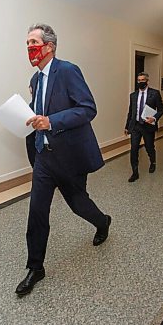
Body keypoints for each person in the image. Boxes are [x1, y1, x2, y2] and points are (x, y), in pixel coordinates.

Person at [16, 23, 111, 297]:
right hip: (44, 158)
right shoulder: (35, 81)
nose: (29, 49)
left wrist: (51, 121)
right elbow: (39, 113)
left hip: (69, 156)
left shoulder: (68, 71)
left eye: (33, 42)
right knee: (37, 213)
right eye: (27, 45)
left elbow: (87, 108)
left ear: (49, 46)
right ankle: (36, 267)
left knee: (78, 205)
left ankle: (102, 221)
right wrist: (28, 117)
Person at [124, 72, 163, 182]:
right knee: (133, 149)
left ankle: (153, 162)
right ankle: (135, 172)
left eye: (142, 80)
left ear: (147, 81)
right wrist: (127, 126)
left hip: (148, 126)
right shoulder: (133, 95)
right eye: (139, 80)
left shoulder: (155, 94)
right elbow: (131, 112)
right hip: (136, 126)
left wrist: (154, 118)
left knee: (149, 147)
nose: (140, 82)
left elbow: (161, 110)